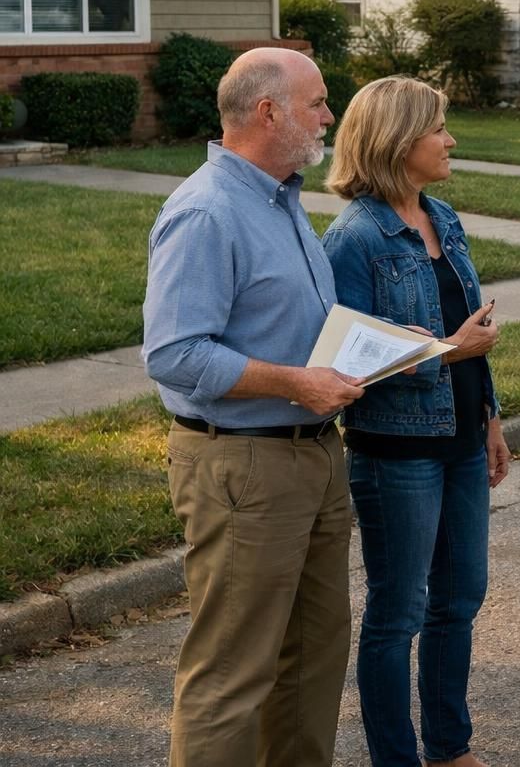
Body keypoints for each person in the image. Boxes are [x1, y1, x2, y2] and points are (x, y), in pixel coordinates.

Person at [143, 47, 364, 767]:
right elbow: (175, 354)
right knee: (232, 674)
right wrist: (295, 384)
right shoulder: (207, 212)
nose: (330, 115)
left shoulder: (280, 198)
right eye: (319, 102)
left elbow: (283, 321)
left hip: (312, 457)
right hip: (243, 466)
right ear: (268, 112)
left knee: (311, 660)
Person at [321, 75, 511, 767]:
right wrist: (448, 352)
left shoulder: (444, 216)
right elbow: (345, 359)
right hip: (396, 448)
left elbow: (472, 324)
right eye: (439, 129)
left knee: (460, 598)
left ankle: (449, 750)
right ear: (400, 141)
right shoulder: (355, 239)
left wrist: (490, 415)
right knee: (398, 612)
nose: (450, 140)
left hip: (461, 437)